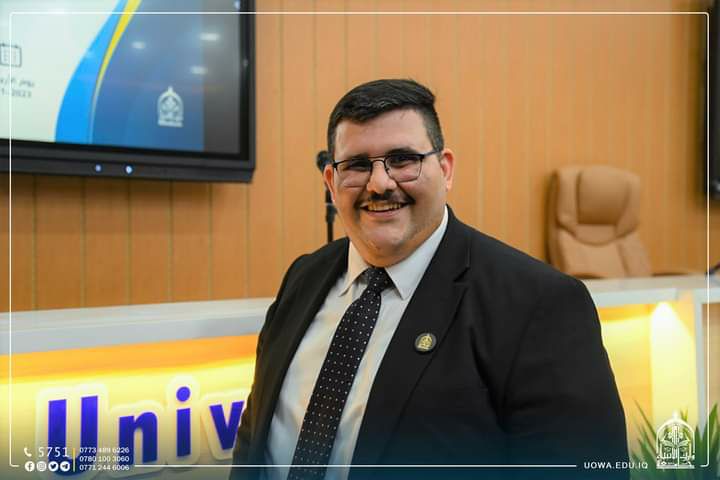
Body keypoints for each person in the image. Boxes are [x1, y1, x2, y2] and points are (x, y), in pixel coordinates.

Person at [230, 79, 628, 480]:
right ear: (332, 182)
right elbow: (255, 436)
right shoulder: (303, 278)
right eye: (357, 165)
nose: (379, 183)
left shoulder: (539, 305)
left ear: (445, 169)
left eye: (403, 159)